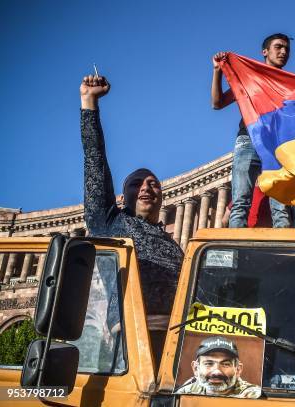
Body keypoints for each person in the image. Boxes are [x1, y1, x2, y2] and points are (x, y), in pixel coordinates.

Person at [80, 74, 183, 363]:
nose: (147, 187)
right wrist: (89, 103)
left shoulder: (173, 245)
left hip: (178, 339)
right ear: (123, 198)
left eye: (153, 183)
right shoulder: (112, 224)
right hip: (131, 337)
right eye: (138, 183)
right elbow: (95, 163)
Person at [212, 34, 292, 229]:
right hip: (249, 139)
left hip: (277, 142)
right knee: (240, 201)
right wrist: (217, 72)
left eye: (287, 49)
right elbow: (217, 103)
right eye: (278, 47)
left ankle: (282, 250)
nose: (283, 52)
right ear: (264, 51)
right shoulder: (249, 79)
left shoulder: (289, 83)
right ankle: (235, 251)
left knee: (280, 205)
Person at [176, 336, 261, 398]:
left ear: (238, 369)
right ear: (195, 368)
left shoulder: (253, 395)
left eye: (225, 364)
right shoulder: (185, 392)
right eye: (209, 363)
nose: (217, 372)